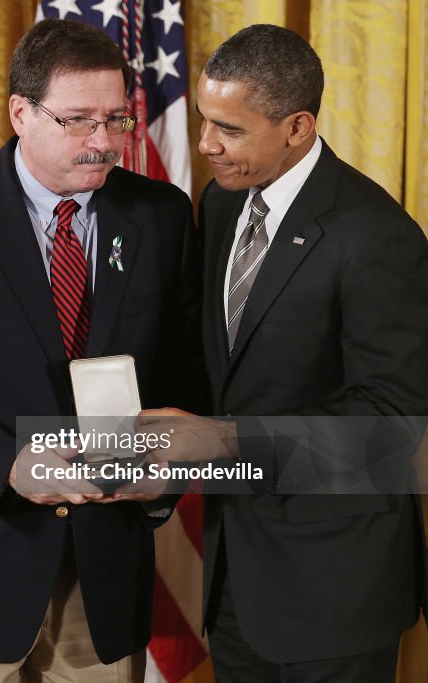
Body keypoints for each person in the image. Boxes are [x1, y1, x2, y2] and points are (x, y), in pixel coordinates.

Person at [0, 18, 207, 682]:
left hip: (101, 583)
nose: (102, 142)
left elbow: (184, 380)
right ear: (21, 112)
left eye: (116, 120)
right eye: (78, 120)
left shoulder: (161, 216)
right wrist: (9, 465)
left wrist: (166, 469)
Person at [136, 24, 428, 682]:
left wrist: (220, 442)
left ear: (296, 128)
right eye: (205, 121)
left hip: (335, 593)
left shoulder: (375, 235)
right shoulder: (219, 201)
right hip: (235, 581)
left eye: (229, 129)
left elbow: (392, 431)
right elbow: (225, 375)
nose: (205, 143)